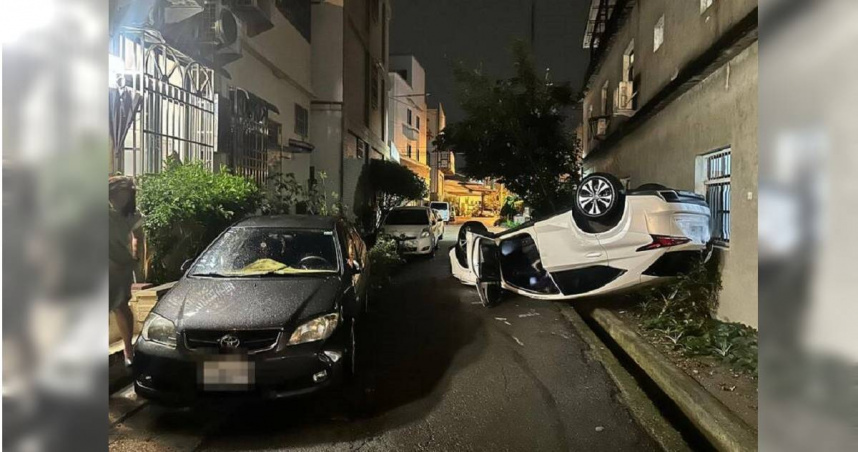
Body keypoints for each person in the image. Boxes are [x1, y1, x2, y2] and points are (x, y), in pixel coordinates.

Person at [109, 176, 138, 366]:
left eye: (126, 194)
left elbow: (138, 238)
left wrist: (136, 257)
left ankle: (128, 349)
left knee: (120, 306)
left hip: (121, 265)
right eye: (119, 194)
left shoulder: (132, 215)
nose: (122, 198)